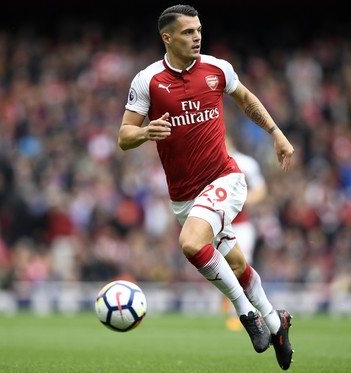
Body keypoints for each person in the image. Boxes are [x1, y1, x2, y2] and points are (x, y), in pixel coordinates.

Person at [117, 5, 295, 370]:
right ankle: (277, 325)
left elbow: (246, 99)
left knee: (190, 244)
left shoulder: (218, 69)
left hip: (224, 179)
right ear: (167, 37)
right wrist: (145, 133)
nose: (197, 36)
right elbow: (123, 136)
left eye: (198, 30)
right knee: (237, 263)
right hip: (183, 196)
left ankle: (247, 315)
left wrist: (276, 134)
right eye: (187, 32)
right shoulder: (147, 80)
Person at [222, 135, 268, 331]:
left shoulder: (246, 163)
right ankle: (231, 310)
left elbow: (261, 190)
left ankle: (244, 312)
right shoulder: (209, 162)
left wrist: (241, 200)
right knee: (221, 267)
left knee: (241, 266)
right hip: (218, 224)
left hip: (241, 226)